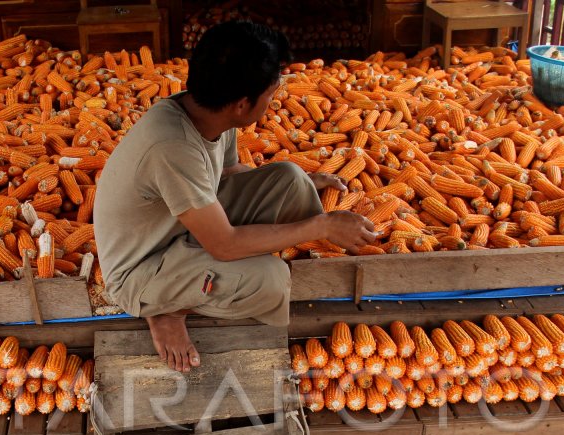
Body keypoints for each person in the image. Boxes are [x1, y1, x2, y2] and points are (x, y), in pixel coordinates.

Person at [94, 20, 378, 372]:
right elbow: (224, 245)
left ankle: (193, 287)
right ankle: (165, 310)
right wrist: (321, 225)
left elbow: (226, 176)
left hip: (179, 228)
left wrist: (305, 181)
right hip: (144, 266)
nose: (273, 103)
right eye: (271, 95)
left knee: (289, 179)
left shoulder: (209, 113)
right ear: (242, 105)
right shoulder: (173, 147)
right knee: (271, 280)